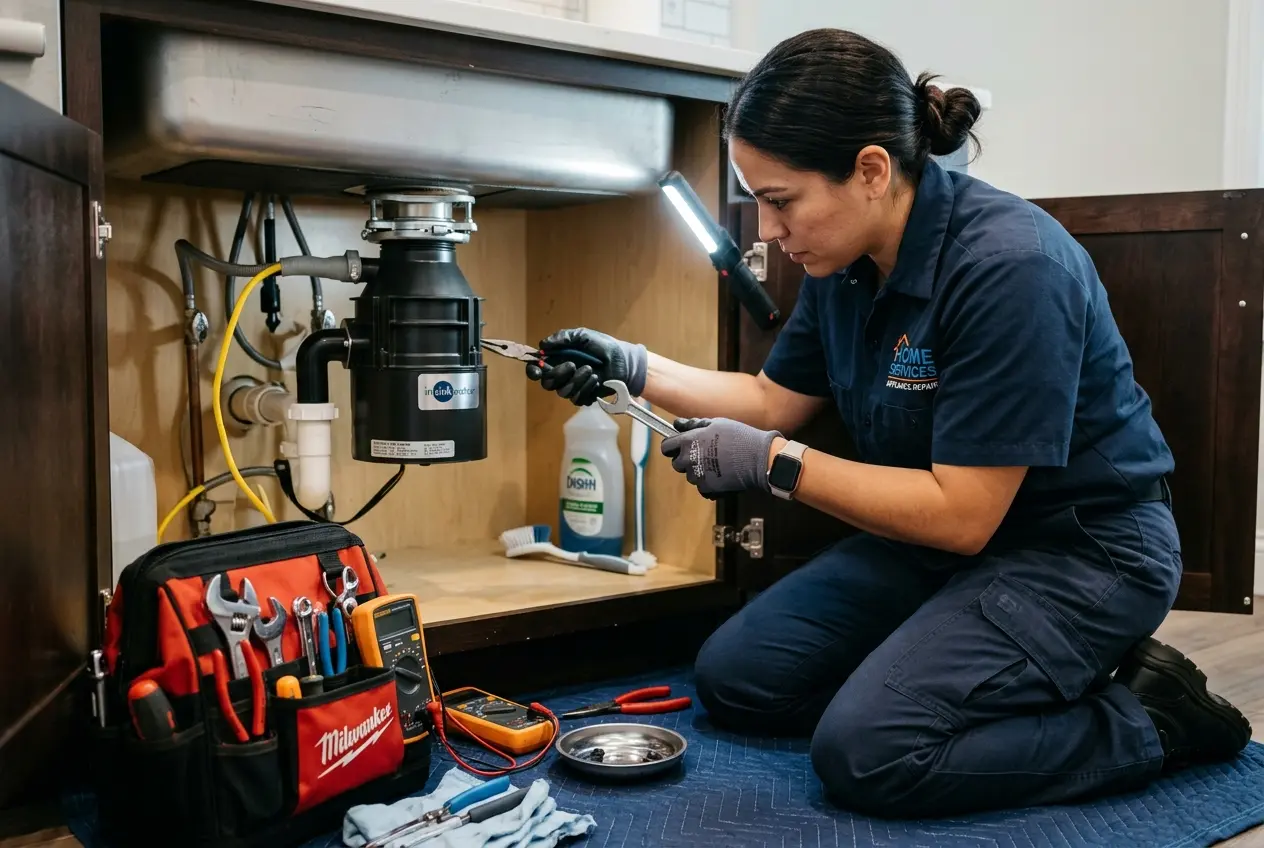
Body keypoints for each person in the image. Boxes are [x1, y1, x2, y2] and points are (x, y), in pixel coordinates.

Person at [526, 28, 1252, 818]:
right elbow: (772, 400)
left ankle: (1149, 718)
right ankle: (969, 679)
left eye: (780, 202)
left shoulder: (1011, 267)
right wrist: (629, 364)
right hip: (937, 546)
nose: (767, 233)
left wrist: (773, 463)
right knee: (738, 678)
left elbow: (964, 515)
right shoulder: (847, 262)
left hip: (1079, 553)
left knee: (871, 754)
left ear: (871, 170)